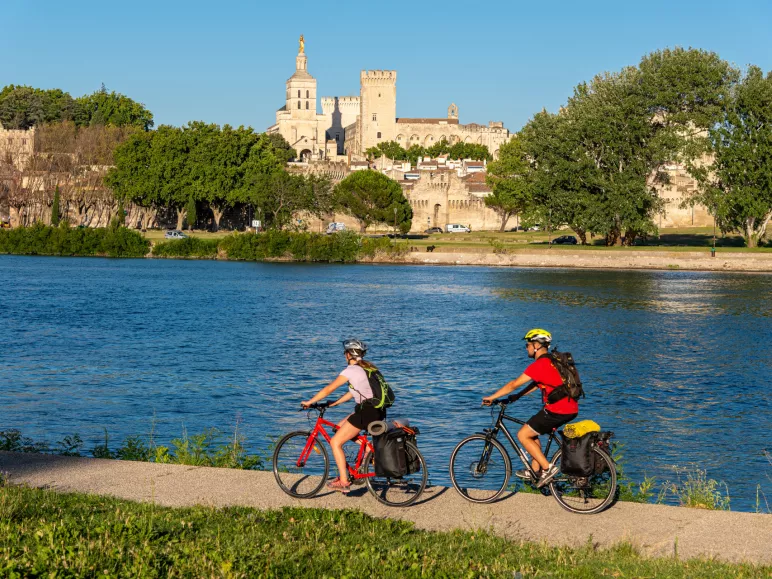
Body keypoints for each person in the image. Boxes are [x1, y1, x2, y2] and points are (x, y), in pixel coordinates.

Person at [482, 328, 578, 488]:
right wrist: (516, 397)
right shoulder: (552, 361)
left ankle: (547, 469)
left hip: (558, 409)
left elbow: (514, 383)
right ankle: (535, 470)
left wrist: (492, 397)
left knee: (523, 435)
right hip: (569, 407)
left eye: (527, 345)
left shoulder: (540, 364)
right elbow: (535, 384)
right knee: (532, 433)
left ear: (536, 346)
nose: (526, 348)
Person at [301, 339, 386, 494]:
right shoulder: (368, 368)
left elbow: (329, 389)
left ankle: (344, 481)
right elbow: (353, 392)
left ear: (349, 354)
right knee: (338, 427)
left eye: (345, 353)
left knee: (335, 443)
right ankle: (367, 448)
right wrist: (333, 404)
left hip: (365, 412)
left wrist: (310, 402)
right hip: (376, 410)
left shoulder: (351, 370)